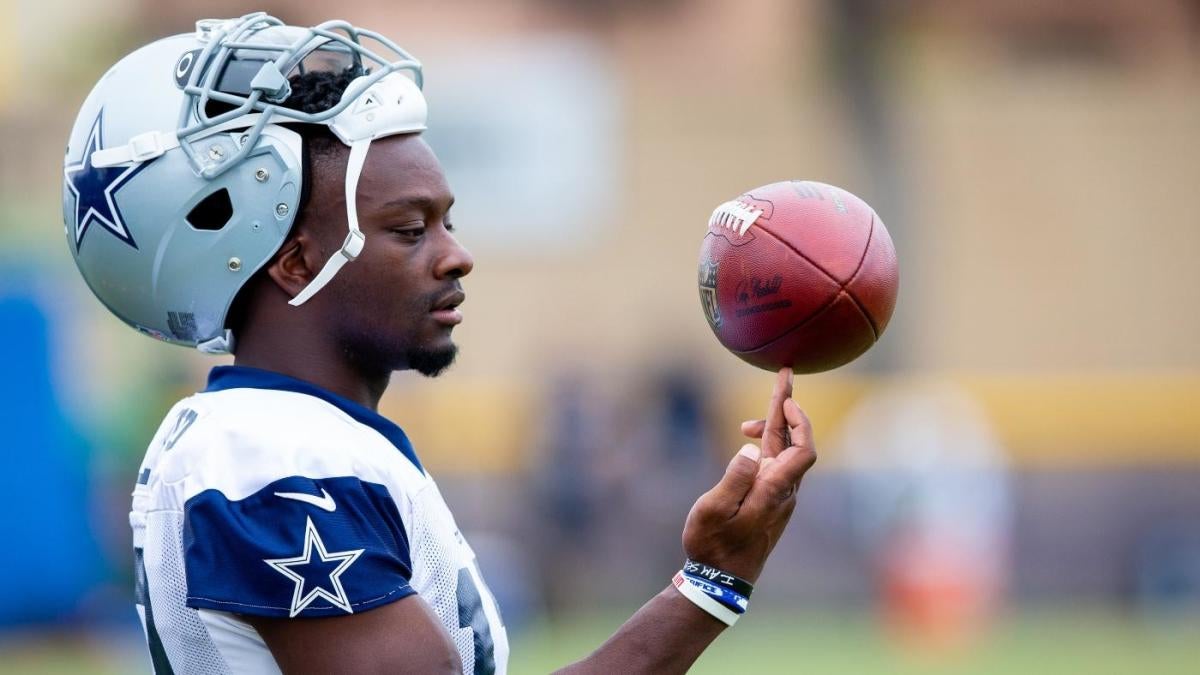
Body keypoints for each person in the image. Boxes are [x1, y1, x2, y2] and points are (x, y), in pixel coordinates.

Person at [63, 13, 817, 674]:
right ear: (292, 259)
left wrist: (711, 580)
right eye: (410, 228)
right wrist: (710, 585)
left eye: (447, 221)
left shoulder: (290, 437)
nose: (456, 255)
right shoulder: (272, 459)